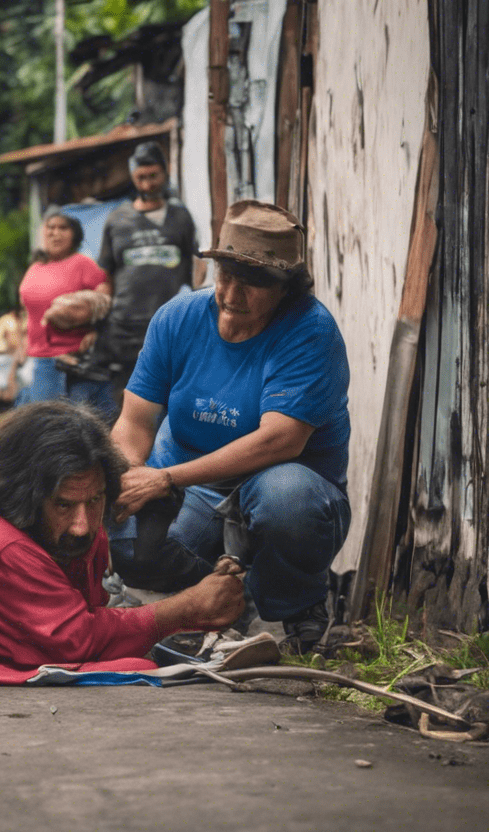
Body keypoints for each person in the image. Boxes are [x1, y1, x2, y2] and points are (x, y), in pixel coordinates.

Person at [0, 401, 244, 685]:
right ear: (23, 495)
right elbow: (74, 640)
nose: (82, 525)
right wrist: (187, 607)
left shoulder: (63, 525)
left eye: (95, 501)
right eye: (63, 505)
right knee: (136, 665)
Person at [108, 200, 351, 655]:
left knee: (286, 499)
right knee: (126, 536)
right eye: (226, 277)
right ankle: (224, 600)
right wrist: (124, 477)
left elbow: (281, 439)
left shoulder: (310, 332)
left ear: (286, 287)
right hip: (194, 493)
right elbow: (133, 422)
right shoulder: (177, 318)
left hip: (283, 488)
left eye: (254, 283)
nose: (233, 295)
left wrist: (165, 477)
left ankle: (299, 607)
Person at [65, 142, 196, 406]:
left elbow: (194, 268)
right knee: (128, 401)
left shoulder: (181, 218)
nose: (147, 184)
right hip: (124, 330)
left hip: (169, 327)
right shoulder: (118, 219)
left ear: (166, 172)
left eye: (153, 176)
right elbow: (106, 277)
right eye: (141, 178)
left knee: (172, 400)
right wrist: (94, 321)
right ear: (133, 177)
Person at [16, 208, 113, 417]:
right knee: (42, 428)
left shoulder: (83, 264)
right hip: (40, 359)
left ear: (75, 235)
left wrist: (96, 331)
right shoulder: (36, 267)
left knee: (71, 427)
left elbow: (106, 299)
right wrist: (22, 340)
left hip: (74, 360)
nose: (55, 233)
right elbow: (27, 309)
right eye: (50, 228)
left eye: (63, 228)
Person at [0, 306, 28, 402]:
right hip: (5, 356)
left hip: (10, 356)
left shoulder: (8, 320)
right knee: (6, 388)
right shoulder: (8, 321)